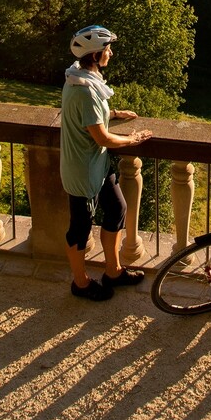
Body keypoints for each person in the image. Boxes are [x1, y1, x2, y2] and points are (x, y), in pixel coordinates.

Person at [60, 24, 153, 301]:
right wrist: (133, 139)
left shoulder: (80, 78)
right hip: (83, 171)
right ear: (95, 55)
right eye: (107, 49)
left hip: (95, 166)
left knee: (117, 208)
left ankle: (113, 271)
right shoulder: (84, 90)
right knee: (80, 227)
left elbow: (89, 116)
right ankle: (81, 283)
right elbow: (102, 138)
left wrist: (113, 112)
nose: (110, 53)